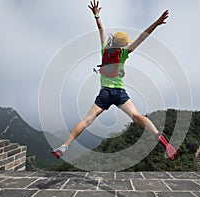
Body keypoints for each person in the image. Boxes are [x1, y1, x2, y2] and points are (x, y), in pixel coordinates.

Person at [52, 0, 177, 161]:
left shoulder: (105, 49)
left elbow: (101, 28)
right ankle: (159, 137)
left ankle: (64, 146)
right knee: (137, 116)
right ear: (124, 44)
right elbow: (142, 37)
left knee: (87, 120)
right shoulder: (124, 53)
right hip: (119, 93)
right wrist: (157, 23)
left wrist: (97, 14)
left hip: (104, 93)